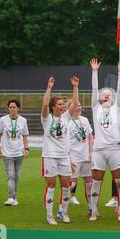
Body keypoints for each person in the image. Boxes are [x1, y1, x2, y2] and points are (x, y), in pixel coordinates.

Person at [89, 58, 120, 222]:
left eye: (109, 95)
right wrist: (95, 71)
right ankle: (94, 211)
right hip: (98, 150)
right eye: (104, 95)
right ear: (99, 97)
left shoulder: (116, 109)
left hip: (114, 149)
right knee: (96, 182)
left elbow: (119, 91)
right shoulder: (95, 108)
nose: (106, 96)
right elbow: (94, 88)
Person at [41, 75, 79, 225]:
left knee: (66, 186)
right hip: (50, 156)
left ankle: (64, 212)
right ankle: (49, 216)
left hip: (64, 157)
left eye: (64, 104)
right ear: (53, 106)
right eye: (60, 104)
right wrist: (49, 88)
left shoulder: (66, 118)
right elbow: (44, 105)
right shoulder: (47, 118)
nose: (63, 106)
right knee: (51, 186)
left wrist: (75, 87)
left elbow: (75, 104)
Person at [56, 102, 93, 218]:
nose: (79, 108)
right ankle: (61, 210)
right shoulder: (66, 122)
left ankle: (92, 208)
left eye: (80, 106)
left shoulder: (85, 120)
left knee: (89, 184)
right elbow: (64, 141)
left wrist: (91, 153)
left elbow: (90, 137)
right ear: (70, 108)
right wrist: (68, 158)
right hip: (73, 157)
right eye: (76, 106)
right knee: (70, 184)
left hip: (85, 157)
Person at [0, 99, 29, 206]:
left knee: (16, 176)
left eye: (14, 107)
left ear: (18, 108)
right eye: (10, 107)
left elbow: (25, 135)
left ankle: (14, 197)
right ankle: (11, 197)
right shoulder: (3, 120)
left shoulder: (23, 120)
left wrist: (27, 148)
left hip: (19, 153)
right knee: (11, 176)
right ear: (8, 108)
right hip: (7, 153)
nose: (12, 109)